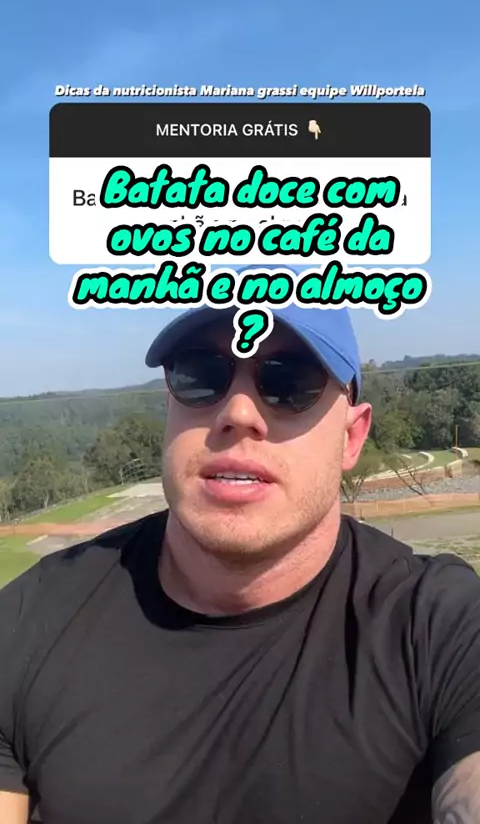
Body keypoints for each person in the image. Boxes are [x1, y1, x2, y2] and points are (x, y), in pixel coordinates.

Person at [1, 278, 480, 824]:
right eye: (201, 374)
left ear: (351, 437)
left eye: (289, 381)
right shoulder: (27, 623)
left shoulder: (438, 626)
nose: (239, 412)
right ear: (169, 408)